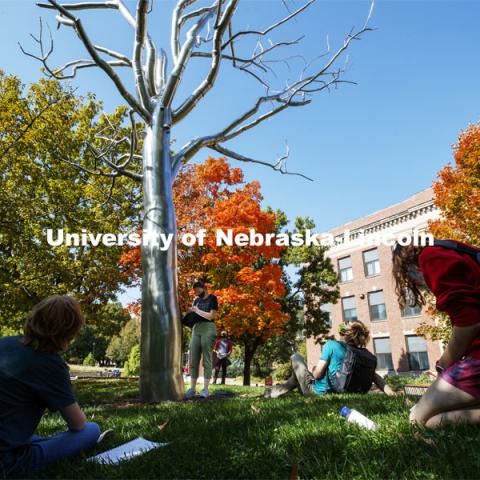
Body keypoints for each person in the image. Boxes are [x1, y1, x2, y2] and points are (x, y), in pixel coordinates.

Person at [0, 295, 102, 478]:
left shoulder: (4, 343)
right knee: (92, 430)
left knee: (28, 438)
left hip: (9, 436)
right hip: (7, 462)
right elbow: (78, 424)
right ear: (69, 332)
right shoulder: (50, 364)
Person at [392, 239, 480, 429]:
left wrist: (444, 365)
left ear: (405, 262)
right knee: (433, 422)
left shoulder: (430, 256)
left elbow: (469, 322)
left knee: (417, 420)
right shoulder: (458, 251)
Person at [265, 321, 394, 398]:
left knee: (296, 357)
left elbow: (317, 374)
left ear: (345, 333)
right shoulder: (364, 354)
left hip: (318, 392)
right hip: (345, 391)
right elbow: (375, 377)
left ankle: (272, 392)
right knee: (296, 377)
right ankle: (273, 392)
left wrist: (314, 369)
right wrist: (392, 393)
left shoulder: (332, 345)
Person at [185, 280, 218, 399]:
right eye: (195, 292)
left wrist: (197, 310)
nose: (196, 293)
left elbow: (212, 316)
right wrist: (190, 312)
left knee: (207, 358)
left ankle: (205, 389)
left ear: (203, 288)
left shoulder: (213, 298)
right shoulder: (197, 301)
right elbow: (194, 314)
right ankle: (192, 389)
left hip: (208, 328)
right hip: (196, 328)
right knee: (193, 358)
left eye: (198, 291)